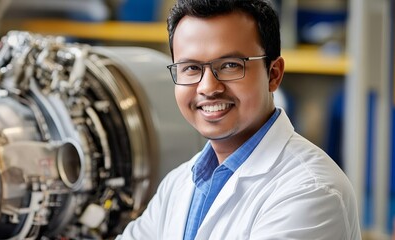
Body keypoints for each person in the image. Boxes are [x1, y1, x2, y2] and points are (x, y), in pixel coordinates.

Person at [118, 0, 361, 239]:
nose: (208, 87)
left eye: (230, 65)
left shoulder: (312, 190)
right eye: (191, 68)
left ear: (273, 74)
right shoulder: (178, 183)